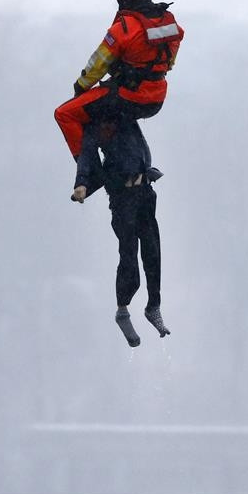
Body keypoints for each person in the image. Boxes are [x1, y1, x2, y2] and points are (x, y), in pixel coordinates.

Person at [54, 0, 184, 160]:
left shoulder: (123, 29)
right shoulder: (170, 24)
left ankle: (90, 171)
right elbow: (169, 62)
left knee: (64, 113)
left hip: (128, 96)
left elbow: (98, 65)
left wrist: (80, 86)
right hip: (156, 99)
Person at [72, 114, 171, 347]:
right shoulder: (96, 125)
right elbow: (86, 156)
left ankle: (153, 306)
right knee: (129, 254)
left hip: (145, 191)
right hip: (122, 197)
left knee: (152, 250)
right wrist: (81, 184)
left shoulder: (126, 114)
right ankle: (123, 308)